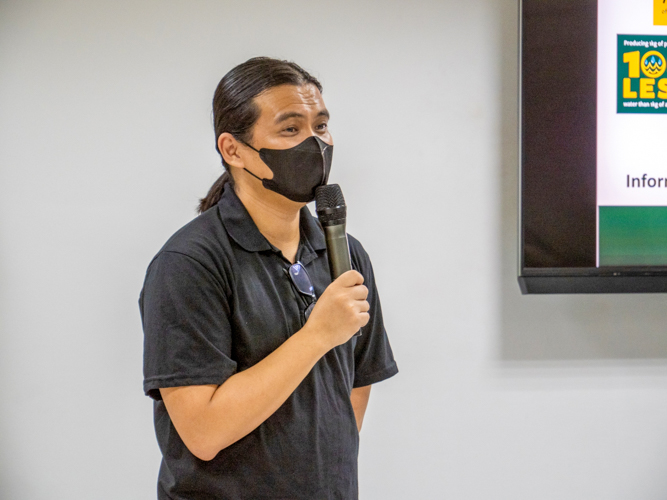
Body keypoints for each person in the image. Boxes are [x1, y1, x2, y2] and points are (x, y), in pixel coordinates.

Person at [140, 57, 398, 499]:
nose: (314, 144)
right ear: (233, 149)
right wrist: (316, 336)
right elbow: (202, 431)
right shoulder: (189, 263)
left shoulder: (345, 253)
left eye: (320, 126)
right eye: (290, 129)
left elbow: (354, 386)